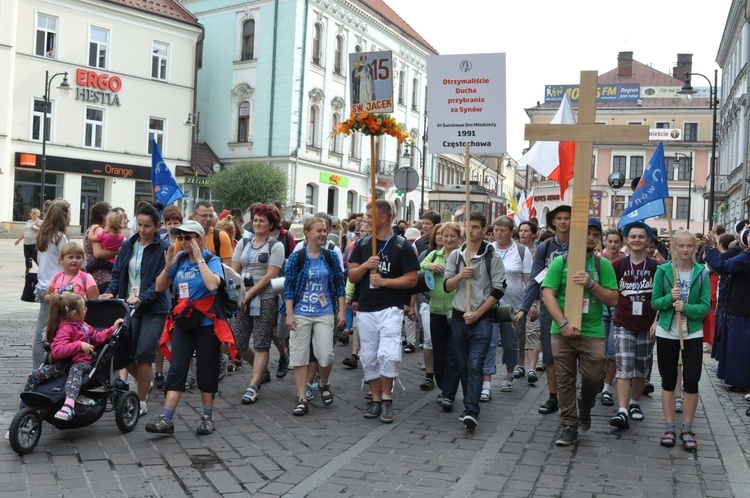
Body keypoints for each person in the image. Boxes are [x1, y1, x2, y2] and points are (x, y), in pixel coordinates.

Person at [148, 220, 235, 435]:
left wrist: (199, 261)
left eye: (189, 237)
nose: (184, 241)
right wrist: (168, 268)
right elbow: (160, 286)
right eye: (181, 238)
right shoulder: (178, 260)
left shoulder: (211, 260)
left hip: (207, 323)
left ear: (200, 238)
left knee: (206, 369)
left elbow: (213, 285)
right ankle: (166, 418)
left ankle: (207, 417)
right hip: (184, 322)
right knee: (177, 368)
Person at [541, 217, 619, 446]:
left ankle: (585, 405)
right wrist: (563, 323)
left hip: (593, 331)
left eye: (595, 235)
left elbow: (614, 299)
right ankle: (569, 425)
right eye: (587, 233)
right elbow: (548, 294)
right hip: (562, 331)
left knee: (594, 378)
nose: (591, 238)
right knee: (565, 380)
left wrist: (592, 285)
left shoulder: (602, 265)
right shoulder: (561, 262)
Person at [347, 200, 419, 423]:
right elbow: (352, 276)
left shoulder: (402, 246)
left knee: (388, 354)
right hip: (367, 309)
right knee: (369, 357)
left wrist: (384, 281)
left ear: (384, 218)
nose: (365, 220)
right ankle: (376, 400)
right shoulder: (362, 244)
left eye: (370, 217)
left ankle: (387, 400)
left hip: (391, 308)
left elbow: (411, 279)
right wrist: (366, 266)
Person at [100, 203, 170, 416]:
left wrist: (141, 297)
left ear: (157, 226)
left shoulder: (163, 248)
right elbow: (117, 273)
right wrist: (111, 292)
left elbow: (160, 283)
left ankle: (141, 400)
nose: (142, 229)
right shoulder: (128, 245)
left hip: (153, 307)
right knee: (126, 353)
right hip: (128, 305)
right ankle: (144, 381)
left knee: (145, 354)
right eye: (139, 224)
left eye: (147, 225)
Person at [440, 211, 506, 430]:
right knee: (463, 365)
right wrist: (460, 276)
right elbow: (447, 285)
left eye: (476, 227)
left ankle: (471, 410)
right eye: (468, 226)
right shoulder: (456, 256)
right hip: (459, 317)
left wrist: (478, 313)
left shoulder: (492, 256)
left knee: (475, 364)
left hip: (482, 318)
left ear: (484, 230)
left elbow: (499, 289)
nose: (471, 230)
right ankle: (471, 401)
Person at [20, 293, 122, 420]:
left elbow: (96, 337)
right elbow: (57, 351)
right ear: (73, 314)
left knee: (75, 370)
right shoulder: (65, 329)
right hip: (61, 365)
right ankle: (24, 410)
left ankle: (69, 405)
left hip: (81, 364)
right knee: (34, 375)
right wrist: (79, 345)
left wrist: (112, 329)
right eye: (83, 307)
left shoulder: (84, 326)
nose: (86, 309)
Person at [651, 230, 710, 451]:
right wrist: (670, 299)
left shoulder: (701, 272)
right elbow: (655, 303)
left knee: (692, 381)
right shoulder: (664, 272)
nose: (685, 250)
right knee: (668, 380)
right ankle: (669, 427)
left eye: (689, 246)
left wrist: (686, 308)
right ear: (674, 247)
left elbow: (705, 306)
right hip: (667, 331)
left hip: (692, 332)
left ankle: (687, 427)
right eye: (681, 246)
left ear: (695, 247)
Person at [283, 217, 346, 415]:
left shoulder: (330, 256)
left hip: (324, 312)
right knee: (299, 357)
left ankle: (323, 383)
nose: (323, 234)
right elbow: (289, 286)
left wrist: (342, 310)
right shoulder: (297, 257)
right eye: (319, 230)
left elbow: (339, 284)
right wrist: (289, 313)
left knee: (325, 354)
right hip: (301, 313)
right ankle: (302, 397)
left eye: (325, 230)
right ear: (307, 233)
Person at [514, 205, 572, 415]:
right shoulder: (544, 248)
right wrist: (524, 308)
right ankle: (553, 397)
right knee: (549, 355)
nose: (563, 222)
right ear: (553, 222)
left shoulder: (581, 245)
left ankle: (571, 396)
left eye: (567, 218)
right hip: (549, 307)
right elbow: (535, 281)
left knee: (572, 354)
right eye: (559, 218)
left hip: (575, 307)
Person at [232, 204, 285, 405]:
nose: (257, 223)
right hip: (243, 297)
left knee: (262, 342)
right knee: (238, 343)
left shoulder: (276, 246)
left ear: (271, 224)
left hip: (266, 298)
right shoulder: (243, 242)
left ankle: (253, 385)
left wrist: (251, 294)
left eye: (262, 220)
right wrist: (241, 295)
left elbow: (271, 275)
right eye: (255, 220)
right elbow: (235, 270)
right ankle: (260, 368)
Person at [608, 222, 659, 430]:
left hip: (647, 325)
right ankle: (622, 410)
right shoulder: (618, 265)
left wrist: (657, 321)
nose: (637, 240)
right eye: (633, 236)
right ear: (626, 241)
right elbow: (609, 292)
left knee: (642, 368)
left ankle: (634, 403)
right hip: (623, 323)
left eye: (641, 236)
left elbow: (662, 296)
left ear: (648, 241)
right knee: (624, 366)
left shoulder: (657, 267)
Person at [484, 216, 530, 399]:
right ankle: (486, 382)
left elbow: (528, 280)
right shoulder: (488, 249)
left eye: (503, 230)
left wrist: (529, 305)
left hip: (513, 306)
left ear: (512, 231)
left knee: (511, 344)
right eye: (496, 230)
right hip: (490, 305)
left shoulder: (521, 251)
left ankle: (509, 375)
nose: (498, 233)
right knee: (489, 342)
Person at [703, 228, 750, 392]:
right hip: (740, 306)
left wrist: (711, 248)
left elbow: (721, 266)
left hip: (742, 309)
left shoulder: (746, 257)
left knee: (740, 347)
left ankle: (741, 381)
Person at [32, 200, 71, 369]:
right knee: (51, 333)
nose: (70, 217)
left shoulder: (43, 235)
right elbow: (67, 263)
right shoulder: (60, 238)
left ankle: (37, 368)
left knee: (42, 332)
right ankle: (42, 370)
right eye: (69, 213)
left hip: (42, 286)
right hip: (55, 288)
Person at [423, 223, 459, 398]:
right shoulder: (433, 255)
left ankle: (448, 392)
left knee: (453, 353)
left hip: (457, 310)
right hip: (435, 309)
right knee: (439, 352)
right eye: (446, 236)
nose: (449, 239)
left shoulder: (462, 255)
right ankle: (443, 386)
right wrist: (430, 267)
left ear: (459, 238)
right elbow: (420, 266)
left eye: (453, 236)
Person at [599, 228, 625, 406]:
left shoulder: (625, 263)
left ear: (621, 243)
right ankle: (597, 383)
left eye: (616, 241)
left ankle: (607, 387)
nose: (613, 245)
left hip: (618, 313)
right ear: (604, 241)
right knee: (598, 353)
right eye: (610, 241)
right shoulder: (598, 261)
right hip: (598, 312)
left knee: (612, 352)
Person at [83, 202, 117, 294]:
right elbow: (98, 253)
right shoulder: (98, 229)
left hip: (95, 276)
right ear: (105, 217)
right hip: (101, 277)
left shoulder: (92, 228)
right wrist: (118, 251)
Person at [15, 208, 42, 274]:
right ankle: (28, 270)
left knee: (35, 257)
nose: (32, 215)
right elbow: (24, 232)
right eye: (31, 213)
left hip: (34, 243)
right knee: (27, 257)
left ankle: (42, 268)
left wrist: (36, 228)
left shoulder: (40, 222)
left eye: (34, 213)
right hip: (26, 243)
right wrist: (18, 240)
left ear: (37, 214)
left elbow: (43, 231)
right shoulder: (28, 222)